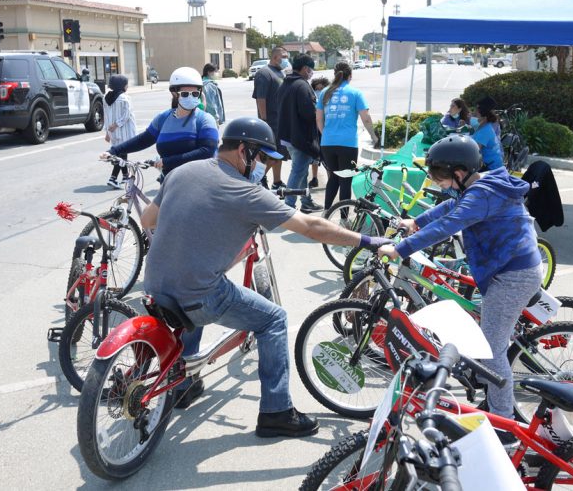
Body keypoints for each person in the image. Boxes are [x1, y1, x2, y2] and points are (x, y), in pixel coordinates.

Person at [139, 117, 391, 436]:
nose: (266, 168)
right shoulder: (246, 194)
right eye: (264, 159)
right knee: (272, 319)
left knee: (193, 295)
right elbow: (311, 227)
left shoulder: (181, 172)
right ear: (245, 151)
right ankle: (277, 411)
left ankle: (183, 380)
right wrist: (367, 240)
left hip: (155, 282)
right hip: (196, 294)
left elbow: (148, 219)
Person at [376, 135, 541, 441]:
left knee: (493, 349)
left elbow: (450, 224)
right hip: (506, 266)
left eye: (440, 177)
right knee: (489, 338)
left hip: (513, 273)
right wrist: (416, 222)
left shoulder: (481, 195)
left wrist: (401, 249)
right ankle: (495, 399)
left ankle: (505, 425)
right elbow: (449, 208)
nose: (438, 183)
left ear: (459, 173)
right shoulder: (480, 186)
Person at [101, 67, 218, 178]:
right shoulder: (163, 118)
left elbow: (207, 151)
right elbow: (143, 140)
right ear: (174, 93)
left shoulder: (205, 120)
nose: (190, 97)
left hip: (198, 185)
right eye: (185, 94)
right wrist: (114, 151)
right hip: (169, 182)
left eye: (195, 94)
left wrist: (167, 162)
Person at [316, 62, 379, 210]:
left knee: (333, 178)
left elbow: (318, 118)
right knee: (345, 180)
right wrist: (374, 137)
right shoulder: (355, 93)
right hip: (348, 143)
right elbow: (366, 118)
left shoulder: (325, 92)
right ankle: (343, 219)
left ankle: (326, 213)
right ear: (350, 76)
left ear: (335, 74)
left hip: (327, 143)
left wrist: (326, 134)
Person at [277, 55, 323, 213]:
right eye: (311, 70)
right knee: (298, 171)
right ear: (304, 68)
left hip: (288, 135)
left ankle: (306, 201)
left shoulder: (286, 83)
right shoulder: (302, 86)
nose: (311, 74)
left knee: (301, 171)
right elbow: (309, 113)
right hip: (300, 137)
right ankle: (288, 207)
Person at [253, 47, 290, 190]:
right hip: (270, 122)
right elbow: (260, 98)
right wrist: (265, 120)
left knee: (280, 153)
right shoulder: (264, 73)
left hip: (281, 120)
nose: (286, 58)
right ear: (275, 57)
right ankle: (259, 178)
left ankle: (277, 181)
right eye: (284, 56)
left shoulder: (280, 72)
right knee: (273, 154)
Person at [102, 74, 136, 188]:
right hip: (124, 130)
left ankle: (125, 177)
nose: (127, 86)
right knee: (122, 154)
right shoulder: (125, 98)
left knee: (121, 154)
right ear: (122, 85)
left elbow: (106, 116)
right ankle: (113, 178)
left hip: (113, 133)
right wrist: (117, 124)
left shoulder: (106, 98)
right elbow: (127, 115)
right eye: (126, 84)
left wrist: (107, 131)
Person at [471, 96, 504, 170]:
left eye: (476, 110)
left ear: (483, 114)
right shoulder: (484, 126)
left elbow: (473, 151)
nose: (473, 113)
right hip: (489, 165)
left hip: (490, 169)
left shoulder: (485, 131)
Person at [308, 76, 330, 189]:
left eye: (321, 88)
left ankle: (330, 179)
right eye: (317, 88)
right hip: (315, 132)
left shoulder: (329, 101)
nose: (319, 91)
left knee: (327, 159)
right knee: (314, 158)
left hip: (324, 133)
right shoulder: (312, 100)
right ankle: (314, 178)